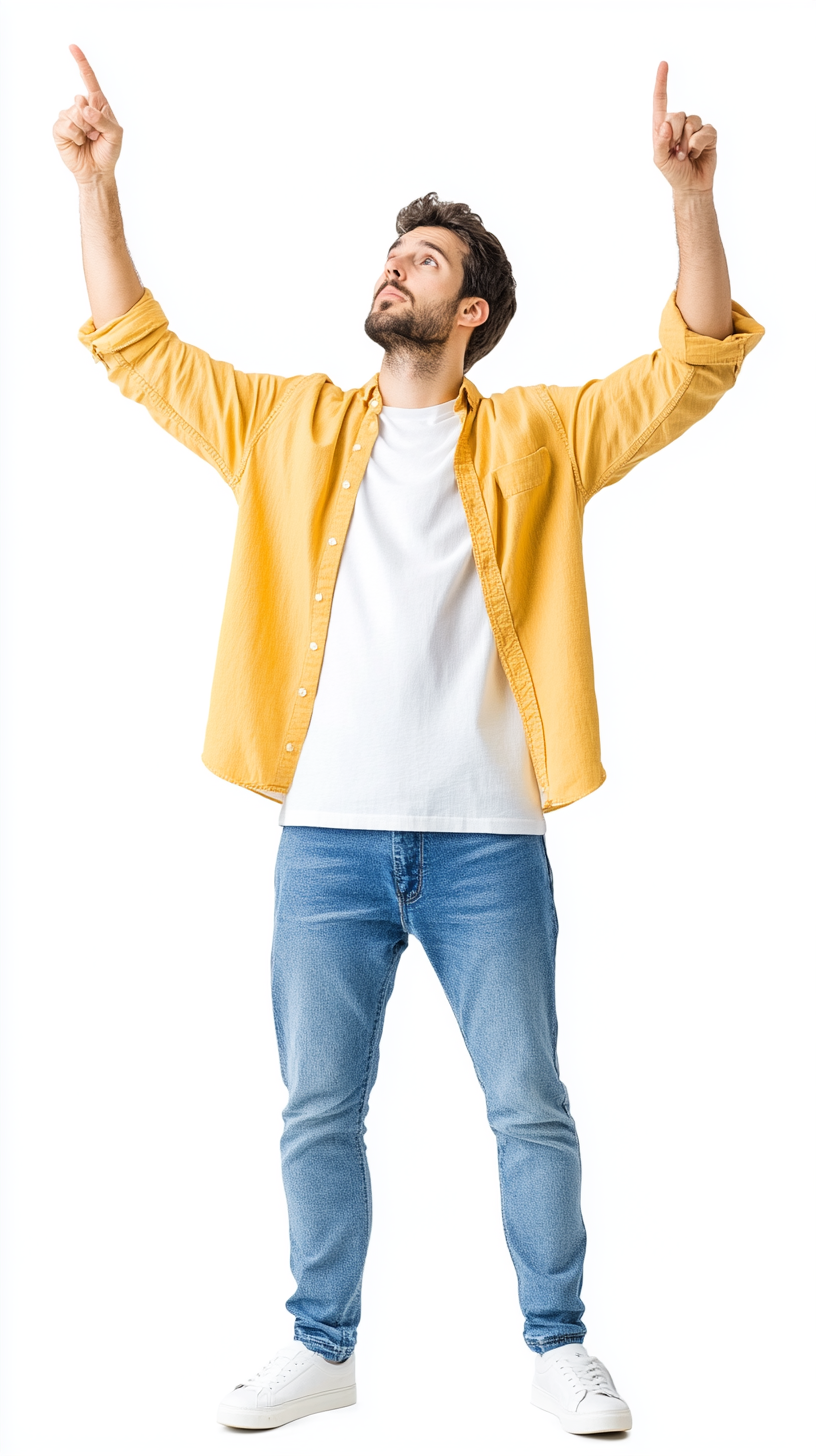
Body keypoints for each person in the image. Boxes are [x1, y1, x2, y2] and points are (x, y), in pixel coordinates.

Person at [54, 43, 763, 1437]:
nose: (395, 270)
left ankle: (559, 1346)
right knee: (317, 1109)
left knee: (530, 1106)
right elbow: (138, 349)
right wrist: (95, 182)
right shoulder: (285, 428)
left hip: (491, 841)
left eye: (424, 260)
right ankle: (323, 1347)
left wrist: (690, 198)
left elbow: (689, 366)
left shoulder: (544, 438)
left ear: (474, 308)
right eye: (392, 253)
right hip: (323, 837)